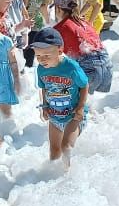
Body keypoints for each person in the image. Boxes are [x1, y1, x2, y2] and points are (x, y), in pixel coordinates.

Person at [31, 27, 89, 166]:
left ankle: (69, 177)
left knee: (66, 147)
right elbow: (44, 87)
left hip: (73, 116)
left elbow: (84, 85)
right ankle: (54, 179)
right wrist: (44, 106)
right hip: (55, 116)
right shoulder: (41, 69)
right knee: (54, 151)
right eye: (38, 56)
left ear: (60, 50)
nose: (42, 60)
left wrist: (80, 108)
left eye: (46, 56)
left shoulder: (71, 67)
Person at [51, 0, 113, 94]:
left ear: (58, 8)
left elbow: (52, 58)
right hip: (107, 68)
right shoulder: (85, 23)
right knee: (96, 106)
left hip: (89, 68)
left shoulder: (60, 28)